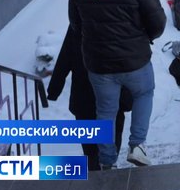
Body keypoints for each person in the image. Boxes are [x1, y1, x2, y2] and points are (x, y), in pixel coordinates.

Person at [69, 0, 167, 169]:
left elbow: (75, 24)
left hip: (98, 65)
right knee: (144, 94)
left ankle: (106, 161)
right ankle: (137, 145)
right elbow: (158, 25)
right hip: (135, 62)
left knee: (105, 110)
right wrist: (142, 38)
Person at [47, 26, 132, 171]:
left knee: (92, 153)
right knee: (108, 148)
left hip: (85, 99)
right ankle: (106, 172)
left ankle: (99, 173)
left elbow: (65, 57)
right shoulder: (117, 18)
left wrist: (54, 90)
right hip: (110, 98)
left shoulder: (78, 22)